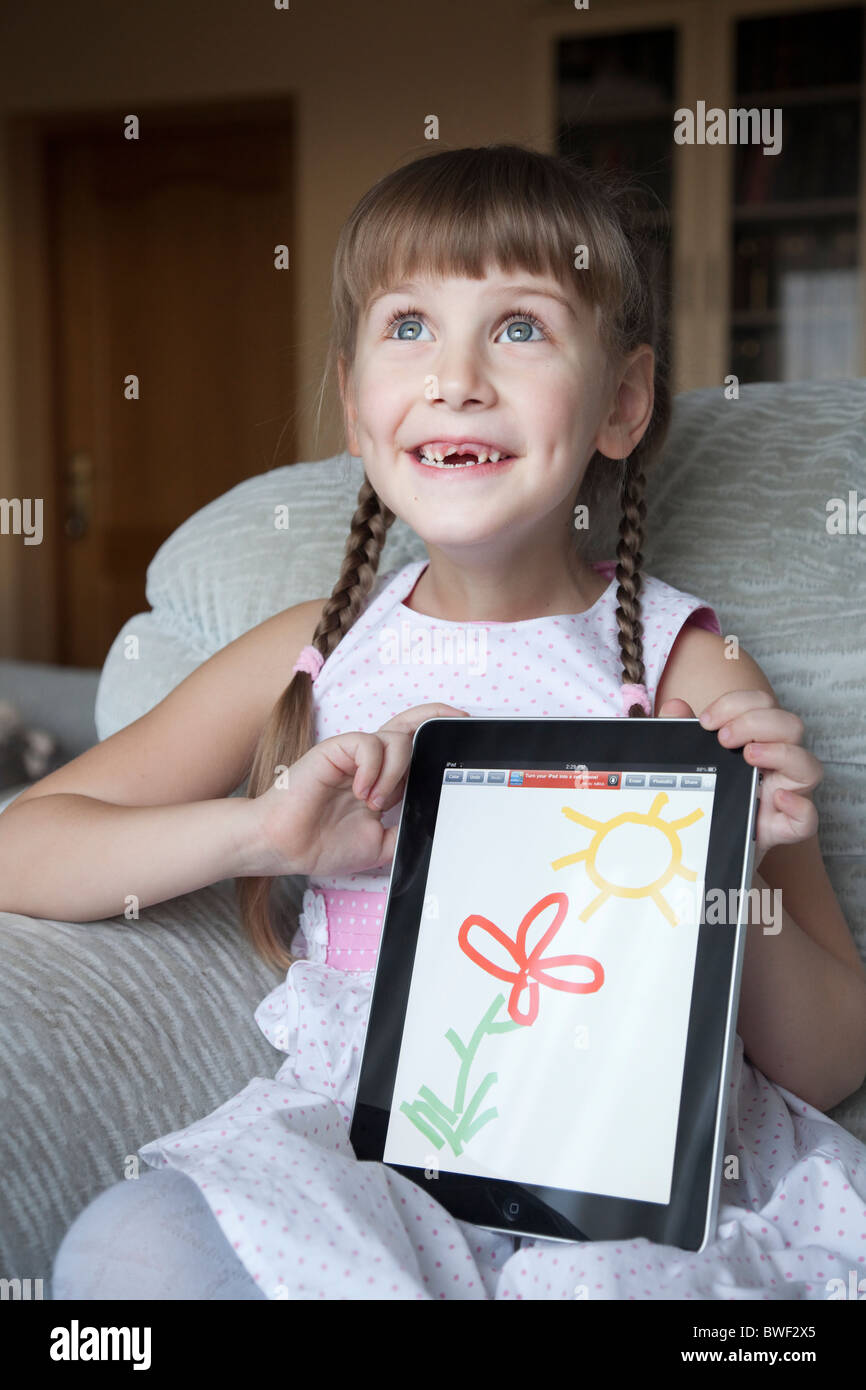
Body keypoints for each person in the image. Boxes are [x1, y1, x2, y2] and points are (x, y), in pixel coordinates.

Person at [4, 142, 861, 1299]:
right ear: (356, 402)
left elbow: (822, 1061)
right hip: (375, 1150)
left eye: (518, 327)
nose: (455, 376)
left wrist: (730, 868)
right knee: (127, 1251)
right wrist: (263, 834)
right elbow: (28, 843)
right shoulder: (314, 650)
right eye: (408, 326)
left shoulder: (690, 669)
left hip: (629, 1157)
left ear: (620, 401)